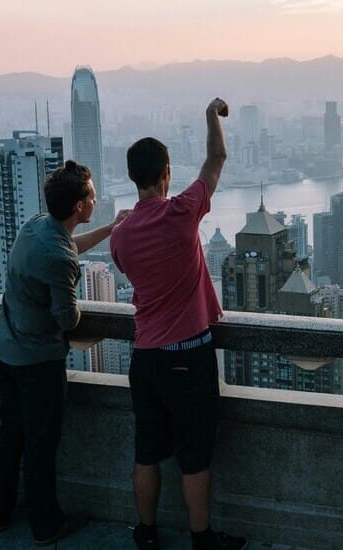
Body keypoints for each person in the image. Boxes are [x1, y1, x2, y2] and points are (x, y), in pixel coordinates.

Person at [111, 98, 246, 550]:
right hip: (188, 354)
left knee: (147, 452)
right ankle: (202, 540)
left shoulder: (121, 235)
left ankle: (146, 534)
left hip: (144, 358)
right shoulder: (182, 212)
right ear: (166, 172)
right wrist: (211, 116)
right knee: (193, 456)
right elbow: (217, 159)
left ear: (134, 177)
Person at [0, 159, 128, 546]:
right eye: (93, 195)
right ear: (80, 206)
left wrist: (111, 229)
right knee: (41, 444)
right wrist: (76, 291)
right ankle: (46, 525)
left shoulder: (37, 225)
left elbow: (67, 246)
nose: (97, 198)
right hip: (36, 362)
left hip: (7, 348)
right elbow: (68, 318)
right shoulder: (59, 258)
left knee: (11, 433)